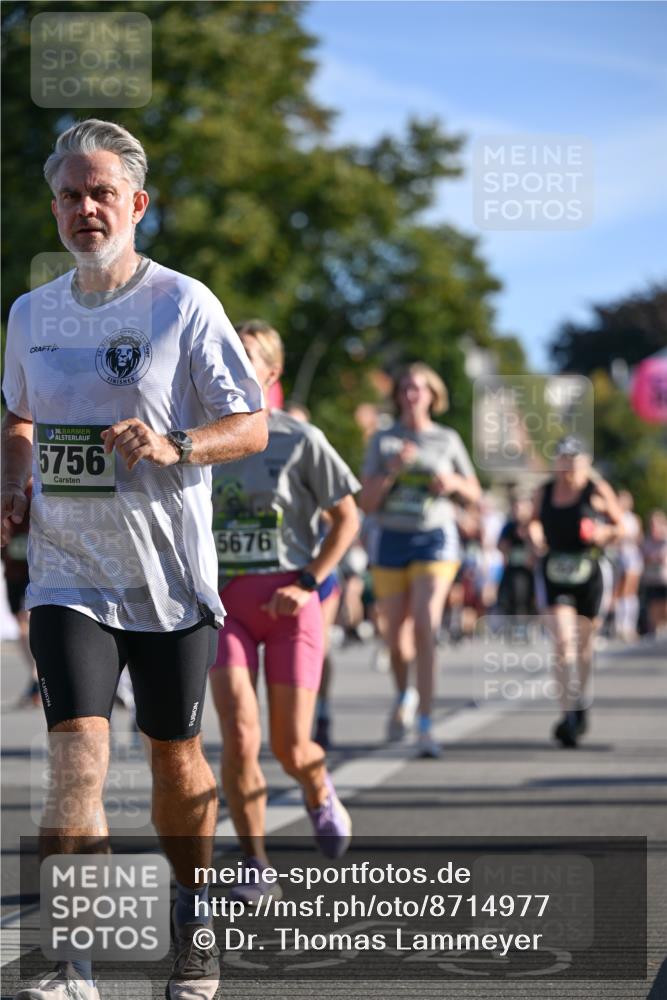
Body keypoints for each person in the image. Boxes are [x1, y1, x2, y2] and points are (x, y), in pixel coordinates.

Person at [1, 119, 267, 1000]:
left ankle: (193, 919)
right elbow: (18, 419)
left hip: (169, 581)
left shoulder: (182, 304)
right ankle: (72, 960)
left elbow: (251, 424)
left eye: (101, 192)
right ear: (54, 208)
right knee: (76, 757)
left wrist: (175, 444)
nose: (85, 208)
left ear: (137, 205)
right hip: (67, 575)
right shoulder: (29, 313)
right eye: (71, 195)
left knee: (172, 759)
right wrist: (14, 482)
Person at [209, 321, 360, 902]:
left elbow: (348, 518)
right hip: (227, 609)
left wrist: (308, 583)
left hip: (290, 604)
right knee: (241, 738)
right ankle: (255, 860)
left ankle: (318, 787)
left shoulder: (300, 438)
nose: (232, 365)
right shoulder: (202, 436)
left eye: (246, 357)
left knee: (291, 747)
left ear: (272, 374)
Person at [358, 363, 481, 757]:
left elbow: (474, 492)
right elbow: (367, 501)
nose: (412, 395)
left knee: (426, 624)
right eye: (406, 388)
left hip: (435, 537)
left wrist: (454, 484)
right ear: (398, 395)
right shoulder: (383, 440)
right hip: (392, 538)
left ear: (433, 395)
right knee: (396, 639)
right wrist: (392, 470)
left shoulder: (446, 439)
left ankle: (427, 723)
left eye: (419, 388)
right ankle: (404, 694)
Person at [529, 437, 623, 748]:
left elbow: (620, 526)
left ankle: (580, 699)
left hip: (589, 573)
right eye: (563, 457)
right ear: (556, 461)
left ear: (585, 461)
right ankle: (567, 713)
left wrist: (601, 532)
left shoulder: (596, 490)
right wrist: (534, 535)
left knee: (584, 646)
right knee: (562, 640)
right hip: (555, 571)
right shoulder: (544, 491)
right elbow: (530, 522)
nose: (568, 463)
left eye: (574, 457)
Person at [496, 491, 538, 615]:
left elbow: (540, 548)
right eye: (516, 508)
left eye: (520, 508)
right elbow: (500, 546)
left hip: (530, 575)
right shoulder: (509, 527)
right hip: (512, 572)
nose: (517, 511)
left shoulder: (534, 526)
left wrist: (530, 536)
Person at [641, 509, 667, 637]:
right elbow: (643, 558)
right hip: (651, 579)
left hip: (664, 578)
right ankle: (655, 631)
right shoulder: (647, 541)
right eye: (651, 524)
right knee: (653, 606)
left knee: (664, 606)